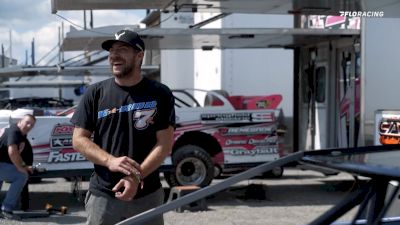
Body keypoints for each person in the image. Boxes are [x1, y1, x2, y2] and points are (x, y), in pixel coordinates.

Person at [71, 29, 175, 225]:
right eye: (111, 50)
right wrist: (110, 161)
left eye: (122, 49)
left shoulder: (160, 93)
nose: (114, 55)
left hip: (147, 195)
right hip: (104, 195)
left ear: (139, 56)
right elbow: (78, 140)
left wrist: (135, 176)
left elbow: (164, 144)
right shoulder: (95, 93)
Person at [0, 114, 36, 219]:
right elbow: (12, 152)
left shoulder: (18, 132)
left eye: (32, 125)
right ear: (20, 122)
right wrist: (21, 168)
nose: (29, 126)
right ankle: (6, 209)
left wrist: (24, 165)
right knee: (21, 176)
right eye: (27, 122)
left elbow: (12, 155)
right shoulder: (15, 132)